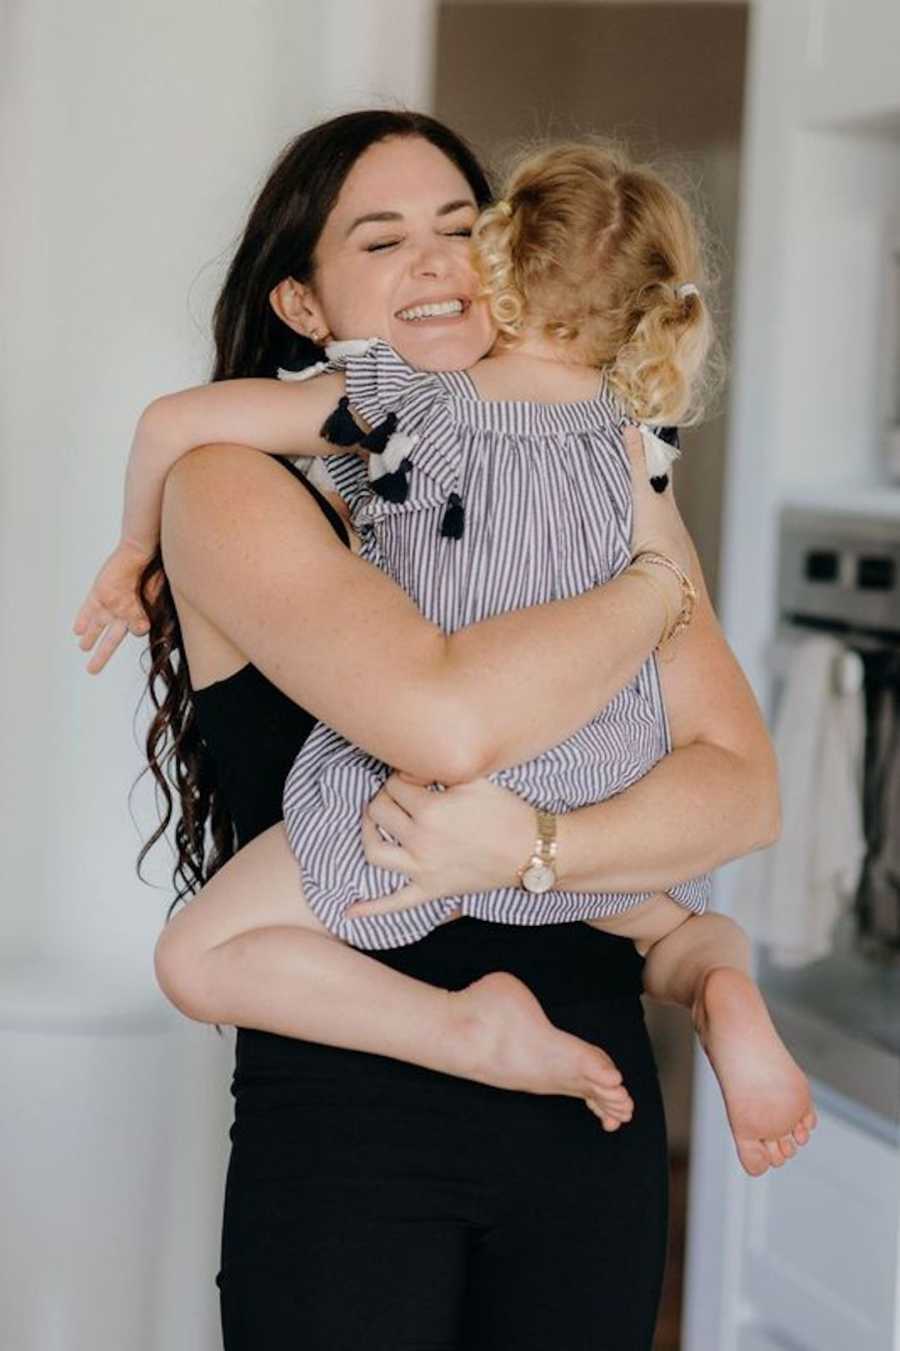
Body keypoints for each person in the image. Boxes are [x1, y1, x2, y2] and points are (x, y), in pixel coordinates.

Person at [75, 111, 785, 1349]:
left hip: (591, 1120)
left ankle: (713, 978)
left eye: (464, 228)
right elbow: (443, 718)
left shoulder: (594, 454)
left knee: (674, 920)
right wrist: (654, 588)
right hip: (357, 1156)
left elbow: (743, 795)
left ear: (511, 255)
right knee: (672, 908)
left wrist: (531, 847)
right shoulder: (241, 484)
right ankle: (695, 966)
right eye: (384, 238)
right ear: (303, 305)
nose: (438, 264)